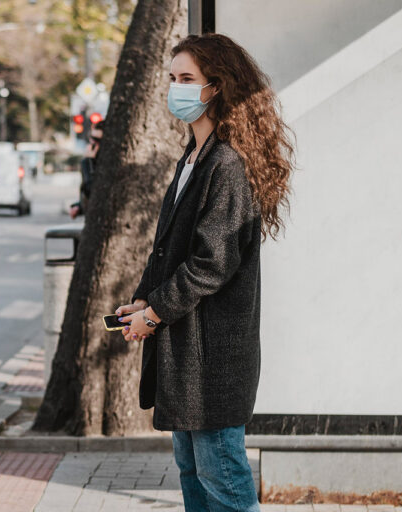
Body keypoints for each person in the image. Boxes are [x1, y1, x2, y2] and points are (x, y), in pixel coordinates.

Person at [115, 34, 294, 512]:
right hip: (186, 356)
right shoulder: (192, 159)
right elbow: (170, 252)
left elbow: (212, 262)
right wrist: (142, 299)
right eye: (172, 79)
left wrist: (154, 313)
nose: (176, 88)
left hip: (212, 358)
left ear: (217, 87)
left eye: (187, 79)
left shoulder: (227, 164)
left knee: (224, 480)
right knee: (194, 473)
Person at [69, 120, 104, 219]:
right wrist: (79, 206)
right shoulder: (91, 162)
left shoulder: (96, 164)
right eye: (91, 138)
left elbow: (92, 190)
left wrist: (88, 164)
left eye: (97, 140)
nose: (92, 143)